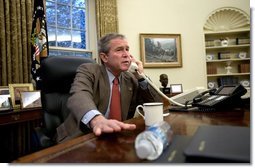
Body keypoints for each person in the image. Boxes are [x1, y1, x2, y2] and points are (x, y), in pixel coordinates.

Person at [56, 33, 162, 143]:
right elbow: (79, 96)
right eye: (119, 50)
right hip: (80, 136)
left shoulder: (131, 78)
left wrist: (141, 78)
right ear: (104, 57)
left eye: (127, 49)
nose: (127, 55)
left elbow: (157, 104)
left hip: (116, 138)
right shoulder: (89, 70)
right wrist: (96, 120)